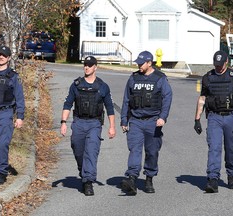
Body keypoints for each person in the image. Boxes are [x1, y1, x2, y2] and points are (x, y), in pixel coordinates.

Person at [194, 50, 233, 193]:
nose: (218, 67)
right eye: (215, 64)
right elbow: (202, 99)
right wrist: (197, 119)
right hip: (214, 117)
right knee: (214, 147)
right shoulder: (207, 77)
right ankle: (212, 179)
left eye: (220, 64)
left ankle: (231, 176)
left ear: (226, 62)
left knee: (232, 148)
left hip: (232, 116)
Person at [60, 56, 116, 196]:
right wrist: (63, 122)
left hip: (94, 123)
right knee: (77, 149)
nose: (87, 67)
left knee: (91, 151)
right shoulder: (76, 85)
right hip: (79, 122)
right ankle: (83, 170)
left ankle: (88, 182)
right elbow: (68, 104)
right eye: (85, 65)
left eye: (90, 65)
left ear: (95, 67)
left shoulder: (103, 86)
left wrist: (112, 127)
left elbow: (109, 108)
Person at [120, 50, 172, 195]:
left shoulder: (160, 78)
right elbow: (126, 100)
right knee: (134, 150)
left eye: (141, 63)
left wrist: (163, 117)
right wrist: (124, 120)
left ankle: (149, 178)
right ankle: (132, 178)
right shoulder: (133, 78)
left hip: (153, 121)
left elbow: (167, 98)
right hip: (136, 121)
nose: (139, 65)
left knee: (152, 152)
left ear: (150, 63)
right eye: (138, 63)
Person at [0, 45, 25, 185]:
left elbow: (19, 97)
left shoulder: (13, 76)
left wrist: (20, 117)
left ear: (8, 58)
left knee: (2, 143)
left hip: (5, 113)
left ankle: (1, 172)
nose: (1, 57)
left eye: (4, 55)